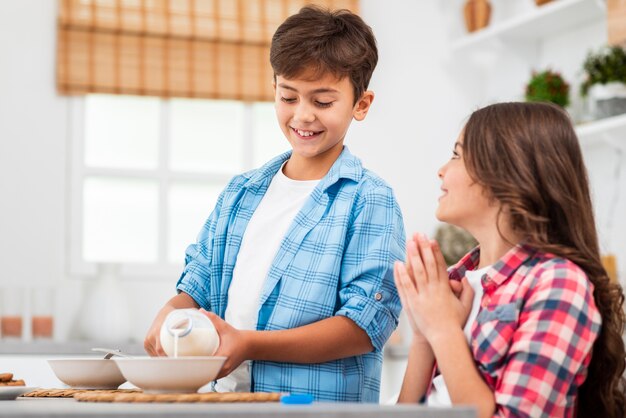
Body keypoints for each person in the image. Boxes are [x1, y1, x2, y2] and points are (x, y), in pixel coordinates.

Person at [144, 5, 405, 403]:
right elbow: (199, 280)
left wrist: (249, 344)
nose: (302, 115)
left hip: (316, 409)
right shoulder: (241, 192)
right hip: (226, 402)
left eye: (322, 102)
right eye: (288, 96)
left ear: (361, 104)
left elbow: (364, 325)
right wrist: (173, 308)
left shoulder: (369, 200)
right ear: (274, 89)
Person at [394, 102, 626, 417]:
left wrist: (443, 329)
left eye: (457, 155)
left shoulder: (558, 283)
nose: (442, 170)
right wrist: (424, 335)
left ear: (507, 173)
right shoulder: (458, 281)